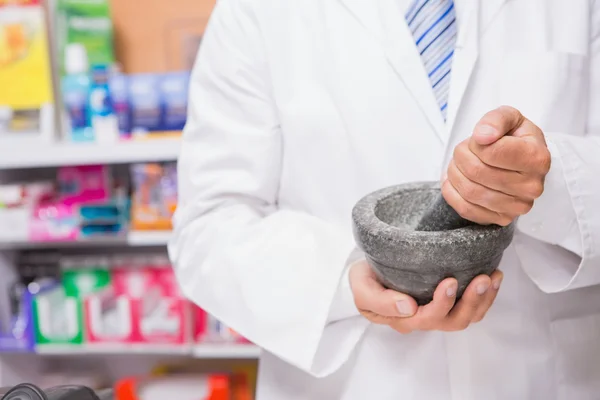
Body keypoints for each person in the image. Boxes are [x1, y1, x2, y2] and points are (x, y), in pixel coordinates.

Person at [168, 0, 600, 398]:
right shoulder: (256, 11)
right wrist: (340, 281)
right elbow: (209, 222)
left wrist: (549, 179)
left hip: (537, 377)